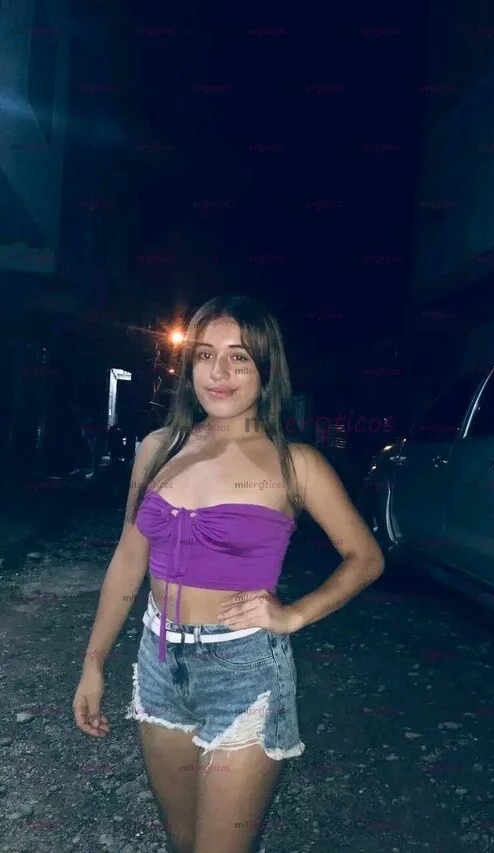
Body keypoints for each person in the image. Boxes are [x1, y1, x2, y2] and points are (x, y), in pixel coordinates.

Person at [72, 294, 384, 853]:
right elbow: (128, 559)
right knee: (181, 839)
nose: (219, 373)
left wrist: (294, 614)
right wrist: (94, 663)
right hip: (159, 661)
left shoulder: (296, 463)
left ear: (265, 370)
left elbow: (365, 557)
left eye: (239, 357)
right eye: (205, 355)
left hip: (244, 671)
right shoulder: (157, 449)